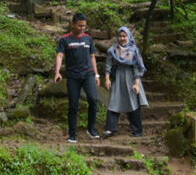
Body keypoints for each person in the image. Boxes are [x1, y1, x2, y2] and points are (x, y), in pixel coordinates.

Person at [53, 13, 100, 143]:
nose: (82, 28)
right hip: (73, 76)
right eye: (79, 26)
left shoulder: (88, 39)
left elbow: (92, 57)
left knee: (93, 99)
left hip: (88, 74)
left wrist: (96, 74)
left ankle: (91, 128)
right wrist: (57, 72)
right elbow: (60, 56)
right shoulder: (65, 39)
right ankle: (72, 134)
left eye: (84, 26)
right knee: (73, 104)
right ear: (73, 24)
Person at [103, 26, 148, 138]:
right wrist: (107, 79)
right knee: (114, 101)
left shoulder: (134, 50)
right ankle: (110, 128)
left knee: (133, 103)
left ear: (129, 37)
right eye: (120, 36)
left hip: (131, 78)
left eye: (124, 36)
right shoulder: (112, 50)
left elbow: (137, 67)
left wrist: (137, 84)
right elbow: (108, 65)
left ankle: (137, 130)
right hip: (118, 77)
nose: (122, 38)